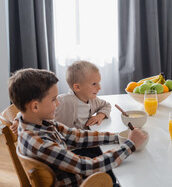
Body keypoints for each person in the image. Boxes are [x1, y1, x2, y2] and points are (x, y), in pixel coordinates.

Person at [8, 68, 147, 186]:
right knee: (131, 177)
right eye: (53, 99)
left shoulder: (37, 123)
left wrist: (119, 137)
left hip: (75, 175)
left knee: (123, 166)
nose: (57, 104)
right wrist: (129, 145)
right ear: (35, 106)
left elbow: (77, 136)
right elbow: (87, 167)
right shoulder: (41, 144)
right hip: (80, 182)